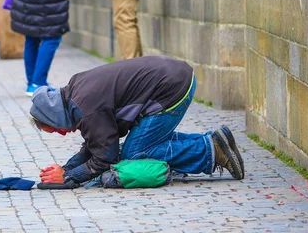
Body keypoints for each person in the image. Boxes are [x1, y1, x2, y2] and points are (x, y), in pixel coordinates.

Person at [30, 56, 245, 187]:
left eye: (56, 129)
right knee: (143, 143)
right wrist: (66, 169)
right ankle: (214, 141)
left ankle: (210, 150)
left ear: (55, 116)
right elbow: (97, 142)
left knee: (135, 153)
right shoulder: (74, 92)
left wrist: (69, 178)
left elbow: (106, 157)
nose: (63, 133)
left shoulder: (86, 109)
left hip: (171, 89)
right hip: (174, 75)